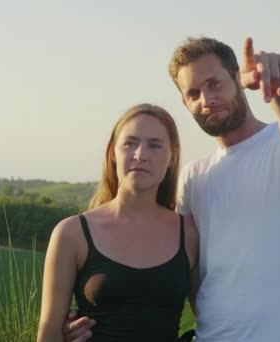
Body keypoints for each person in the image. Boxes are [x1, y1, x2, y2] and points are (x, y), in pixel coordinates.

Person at [64, 36, 280, 341]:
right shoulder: (193, 179)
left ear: (237, 78)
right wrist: (85, 324)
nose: (206, 99)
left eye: (214, 84)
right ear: (185, 103)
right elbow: (165, 271)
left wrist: (278, 84)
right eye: (193, 93)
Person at [36, 104, 200, 342]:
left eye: (154, 145)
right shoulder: (72, 233)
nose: (140, 154)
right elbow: (49, 332)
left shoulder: (190, 234)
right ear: (113, 153)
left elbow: (212, 319)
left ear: (172, 157)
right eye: (130, 143)